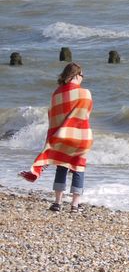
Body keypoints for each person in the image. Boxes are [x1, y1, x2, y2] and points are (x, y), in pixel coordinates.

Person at [19, 62, 94, 212]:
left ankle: (57, 203)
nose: (82, 78)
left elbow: (53, 116)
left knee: (62, 166)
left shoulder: (56, 93)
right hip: (80, 135)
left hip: (62, 136)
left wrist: (54, 136)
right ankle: (74, 205)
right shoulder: (85, 93)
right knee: (78, 167)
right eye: (82, 75)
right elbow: (85, 114)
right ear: (76, 75)